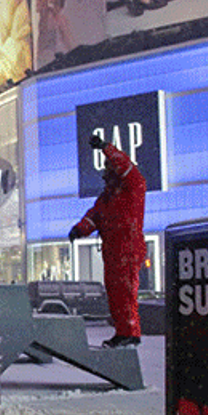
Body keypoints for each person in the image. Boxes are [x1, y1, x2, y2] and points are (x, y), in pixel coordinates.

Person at [68, 135, 146, 348]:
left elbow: (125, 165)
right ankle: (123, 331)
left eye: (108, 169)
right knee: (115, 293)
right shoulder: (107, 198)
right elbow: (93, 216)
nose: (105, 174)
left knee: (125, 291)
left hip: (128, 248)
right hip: (113, 251)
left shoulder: (134, 187)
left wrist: (105, 147)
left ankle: (130, 332)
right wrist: (79, 229)